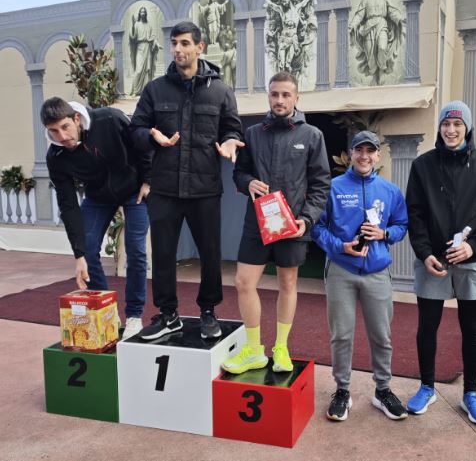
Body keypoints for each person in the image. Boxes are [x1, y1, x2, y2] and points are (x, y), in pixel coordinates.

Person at [129, 21, 243, 341]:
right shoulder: (155, 89)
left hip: (205, 188)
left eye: (184, 43)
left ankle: (208, 311)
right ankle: (168, 315)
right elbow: (135, 130)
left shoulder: (221, 91)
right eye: (174, 44)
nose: (177, 49)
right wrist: (151, 136)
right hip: (165, 188)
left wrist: (231, 141)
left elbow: (232, 129)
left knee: (209, 253)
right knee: (163, 254)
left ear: (199, 47)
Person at [405, 100, 476, 425]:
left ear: (467, 128)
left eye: (457, 125)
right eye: (445, 125)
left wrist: (474, 246)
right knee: (427, 327)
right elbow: (416, 215)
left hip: (473, 261)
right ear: (439, 128)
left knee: (471, 330)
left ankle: (471, 394)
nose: (450, 131)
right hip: (434, 260)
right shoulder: (422, 165)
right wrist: (425, 253)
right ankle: (426, 387)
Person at [221, 71, 330, 374]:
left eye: (285, 95)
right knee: (243, 282)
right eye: (274, 94)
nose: (279, 100)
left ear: (296, 98)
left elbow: (321, 184)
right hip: (256, 223)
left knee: (288, 283)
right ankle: (254, 350)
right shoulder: (253, 133)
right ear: (268, 96)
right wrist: (248, 183)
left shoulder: (312, 135)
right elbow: (239, 173)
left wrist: (306, 220)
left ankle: (281, 348)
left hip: (292, 224)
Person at [312, 131, 409, 422]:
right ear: (351, 153)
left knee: (382, 335)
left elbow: (401, 225)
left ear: (378, 155)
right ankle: (342, 390)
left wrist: (384, 234)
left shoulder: (390, 191)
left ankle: (383, 390)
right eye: (359, 150)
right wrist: (340, 247)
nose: (364, 156)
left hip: (377, 271)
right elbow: (317, 228)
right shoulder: (333, 187)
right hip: (342, 270)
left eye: (370, 151)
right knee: (341, 335)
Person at [40, 97, 151, 339]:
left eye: (65, 127)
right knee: (88, 251)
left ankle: (133, 315)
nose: (61, 136)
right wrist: (78, 254)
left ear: (76, 119)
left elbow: (141, 147)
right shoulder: (56, 157)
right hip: (99, 196)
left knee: (135, 249)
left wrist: (148, 180)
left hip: (134, 190)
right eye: (53, 131)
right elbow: (68, 205)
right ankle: (108, 311)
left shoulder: (110, 119)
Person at [349, 0, 405, 85]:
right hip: (368, 27)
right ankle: (374, 75)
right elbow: (359, 15)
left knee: (382, 47)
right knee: (370, 55)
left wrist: (399, 19)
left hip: (381, 24)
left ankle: (382, 69)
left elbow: (391, 12)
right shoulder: (365, 0)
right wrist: (353, 24)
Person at [129, 6, 161, 96]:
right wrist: (132, 25)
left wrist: (157, 44)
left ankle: (144, 91)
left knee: (147, 71)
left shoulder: (149, 25)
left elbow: (153, 37)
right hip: (140, 47)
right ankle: (135, 91)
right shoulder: (136, 24)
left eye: (144, 12)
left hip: (147, 48)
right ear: (139, 14)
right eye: (141, 12)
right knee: (138, 70)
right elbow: (133, 37)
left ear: (145, 14)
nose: (143, 13)